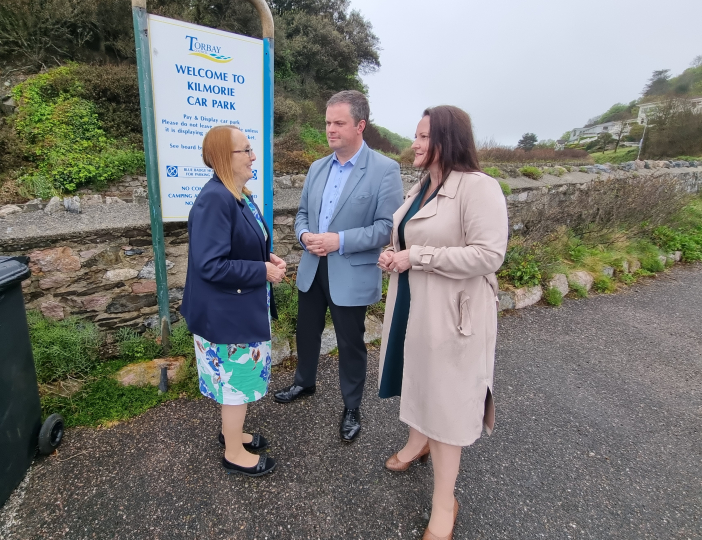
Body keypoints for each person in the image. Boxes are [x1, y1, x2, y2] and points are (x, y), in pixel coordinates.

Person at [376, 105, 508, 539]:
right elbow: (408, 236)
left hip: (454, 316)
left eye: (422, 136)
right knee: (417, 380)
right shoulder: (422, 187)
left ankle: (444, 503)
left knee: (447, 404)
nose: (413, 144)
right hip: (413, 305)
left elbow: (490, 255)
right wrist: (393, 255)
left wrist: (418, 257)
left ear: (447, 139)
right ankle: (418, 443)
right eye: (415, 135)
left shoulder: (478, 187)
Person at [274, 90, 404, 442]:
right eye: (328, 122)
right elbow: (301, 215)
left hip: (351, 271)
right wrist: (304, 237)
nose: (330, 129)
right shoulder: (317, 167)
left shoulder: (385, 170)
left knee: (350, 342)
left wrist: (339, 240)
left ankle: (351, 406)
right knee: (306, 331)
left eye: (338, 123)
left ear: (360, 125)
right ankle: (304, 382)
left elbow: (386, 228)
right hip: (313, 267)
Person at [180, 124, 287, 477]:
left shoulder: (239, 193)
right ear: (226, 158)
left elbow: (245, 243)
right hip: (226, 318)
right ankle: (233, 452)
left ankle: (233, 434)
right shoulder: (216, 198)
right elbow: (210, 264)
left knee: (235, 383)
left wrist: (267, 259)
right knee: (235, 385)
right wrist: (261, 273)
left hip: (235, 310)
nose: (254, 156)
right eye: (246, 150)